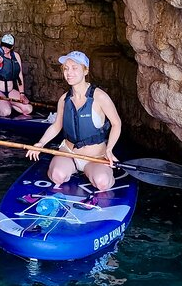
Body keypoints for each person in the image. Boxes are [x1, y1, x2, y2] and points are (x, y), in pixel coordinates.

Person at [26, 51, 121, 191]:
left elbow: (116, 123)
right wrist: (40, 144)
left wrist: (109, 149)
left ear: (85, 70)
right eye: (66, 68)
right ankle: (70, 169)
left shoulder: (100, 97)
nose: (69, 72)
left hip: (95, 157)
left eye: (75, 68)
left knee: (102, 182)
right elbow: (57, 125)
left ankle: (99, 173)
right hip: (69, 153)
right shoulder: (64, 99)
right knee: (56, 175)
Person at [0, 33, 33, 116]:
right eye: (4, 45)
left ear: (12, 47)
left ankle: (7, 102)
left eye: (8, 46)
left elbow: (19, 75)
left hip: (9, 91)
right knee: (6, 112)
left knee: (28, 109)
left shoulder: (16, 56)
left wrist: (22, 94)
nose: (5, 48)